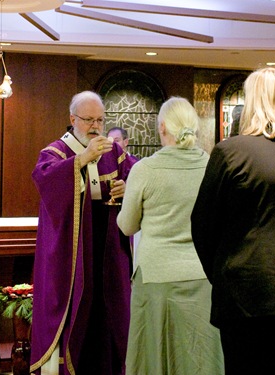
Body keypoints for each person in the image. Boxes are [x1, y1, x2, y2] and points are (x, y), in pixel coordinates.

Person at [30, 91, 136, 375]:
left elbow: (137, 174)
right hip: (72, 249)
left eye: (100, 120)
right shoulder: (55, 152)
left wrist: (128, 186)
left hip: (108, 247)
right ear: (72, 119)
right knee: (77, 310)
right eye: (89, 120)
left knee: (110, 309)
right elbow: (45, 181)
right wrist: (82, 160)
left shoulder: (113, 150)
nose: (96, 127)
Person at [117, 96, 224, 375]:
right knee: (199, 358)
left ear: (162, 127)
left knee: (155, 357)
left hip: (156, 277)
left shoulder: (145, 170)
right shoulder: (212, 166)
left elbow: (127, 226)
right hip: (203, 276)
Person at [191, 67, 275, 375]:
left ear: (250, 102)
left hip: (243, 290)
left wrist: (223, 272)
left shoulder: (230, 152)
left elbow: (202, 226)